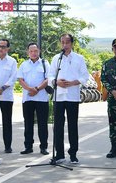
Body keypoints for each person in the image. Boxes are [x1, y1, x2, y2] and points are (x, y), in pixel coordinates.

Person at [48, 33, 89, 164]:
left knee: (72, 126)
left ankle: (73, 154)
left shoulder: (79, 58)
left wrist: (73, 82)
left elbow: (85, 77)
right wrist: (56, 82)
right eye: (62, 42)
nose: (64, 45)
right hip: (58, 96)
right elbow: (49, 76)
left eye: (67, 42)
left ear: (72, 44)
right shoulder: (56, 58)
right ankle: (59, 154)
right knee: (58, 126)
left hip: (72, 96)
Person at [17, 42, 50, 155]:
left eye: (35, 51)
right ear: (28, 52)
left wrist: (36, 89)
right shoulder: (24, 65)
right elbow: (20, 80)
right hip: (28, 98)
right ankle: (28, 146)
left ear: (39, 51)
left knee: (42, 124)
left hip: (41, 98)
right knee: (28, 123)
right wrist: (30, 89)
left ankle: (43, 147)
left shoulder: (45, 63)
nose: (33, 53)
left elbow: (47, 80)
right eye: (31, 51)